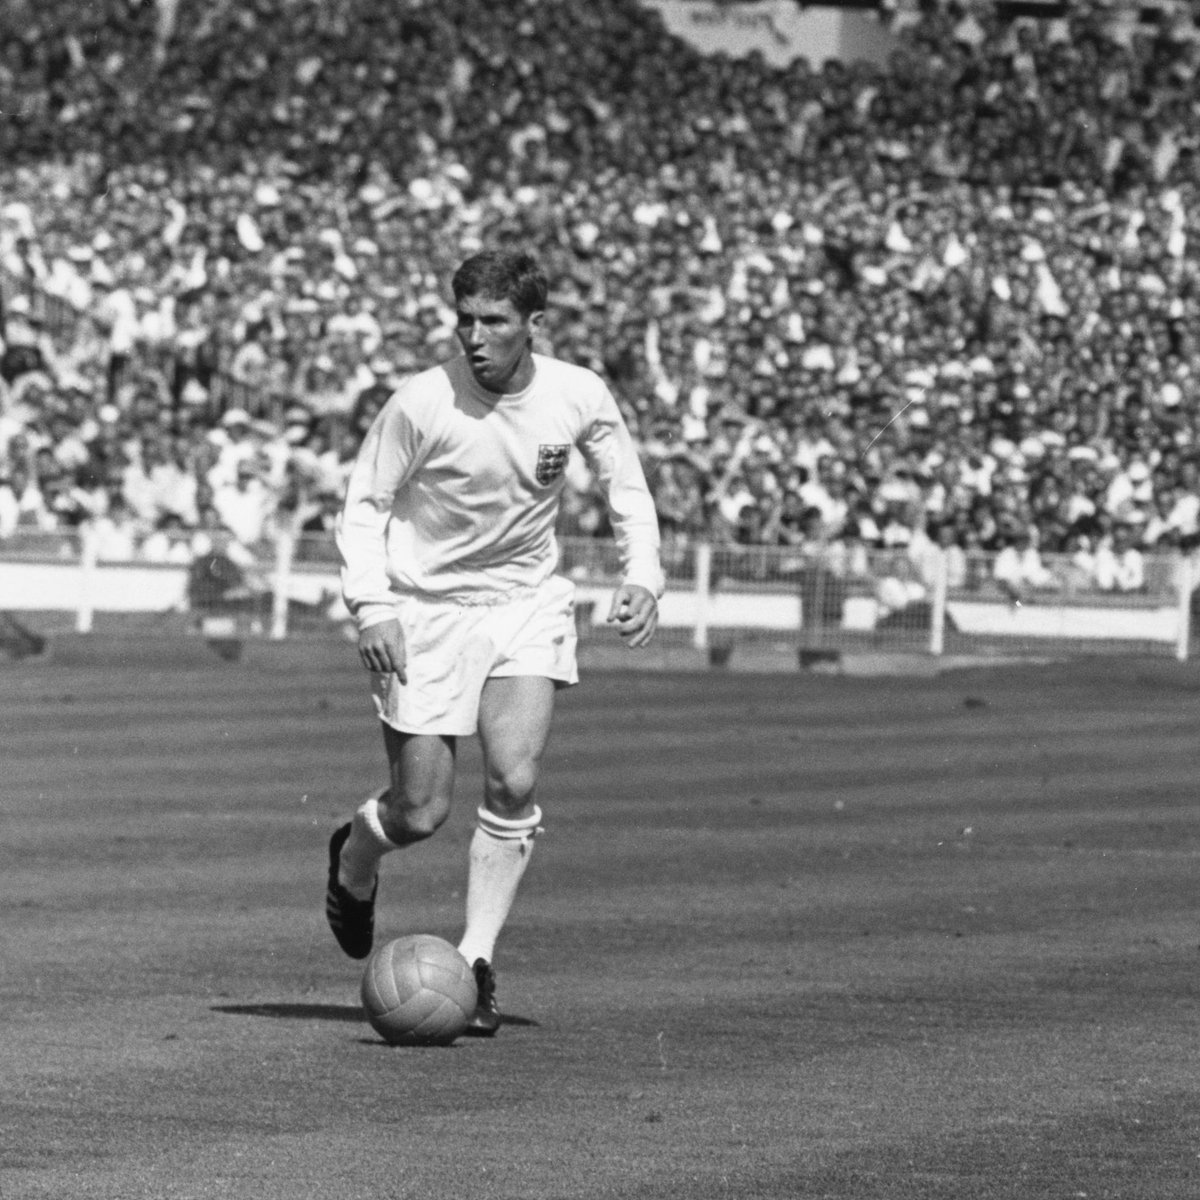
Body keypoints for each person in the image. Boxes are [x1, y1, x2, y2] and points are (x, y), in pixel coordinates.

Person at [326, 251, 663, 1035]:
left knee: (513, 782)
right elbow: (364, 504)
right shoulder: (420, 402)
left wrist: (642, 575)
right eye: (466, 320)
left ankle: (475, 961)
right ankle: (356, 856)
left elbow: (626, 488)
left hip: (526, 603)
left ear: (534, 325)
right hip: (426, 612)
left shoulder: (578, 392)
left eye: (495, 322)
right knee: (420, 812)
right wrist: (371, 607)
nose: (476, 337)